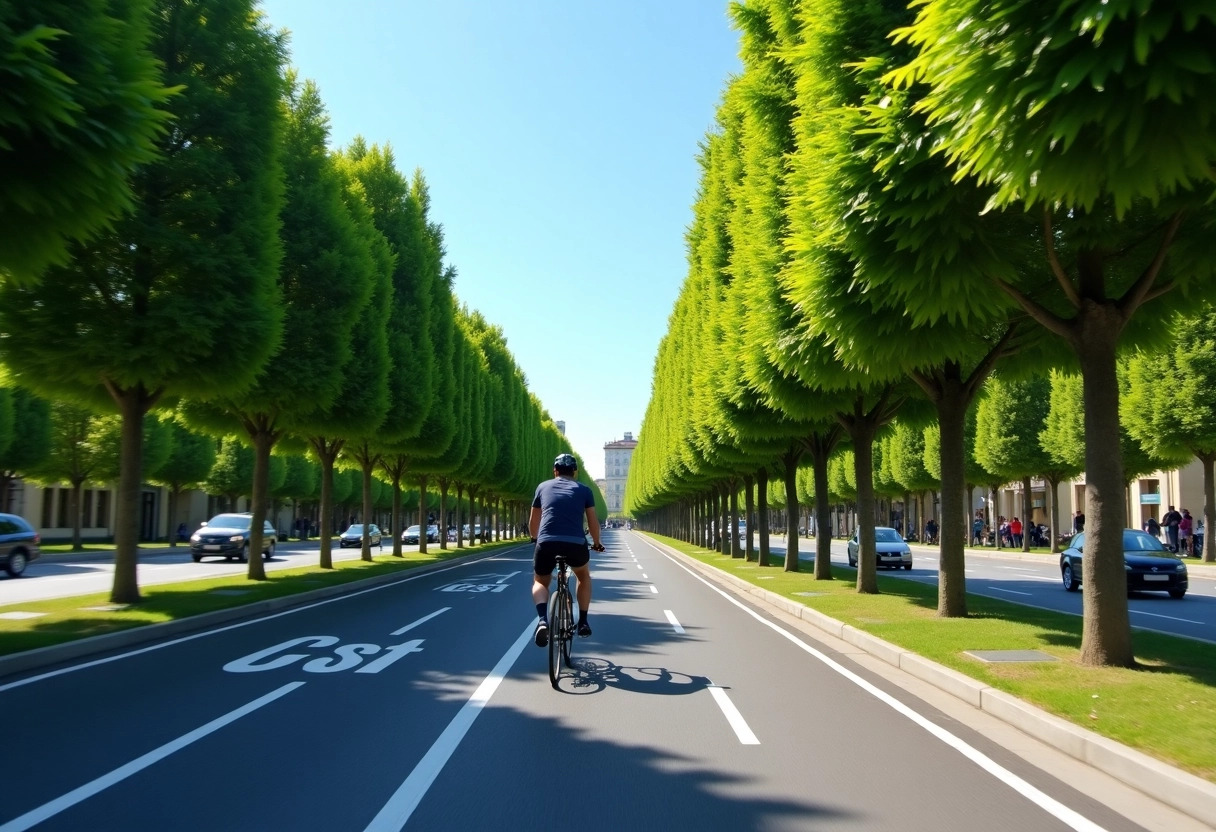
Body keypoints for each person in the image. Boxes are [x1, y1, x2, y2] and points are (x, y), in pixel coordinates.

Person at [530, 453, 604, 647]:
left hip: (546, 542)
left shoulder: (542, 487)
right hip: (575, 544)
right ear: (575, 472)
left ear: (555, 470)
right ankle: (584, 622)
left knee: (540, 581)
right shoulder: (585, 490)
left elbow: (534, 521)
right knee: (583, 576)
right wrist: (596, 543)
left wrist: (535, 539)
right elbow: (593, 522)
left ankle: (543, 620)